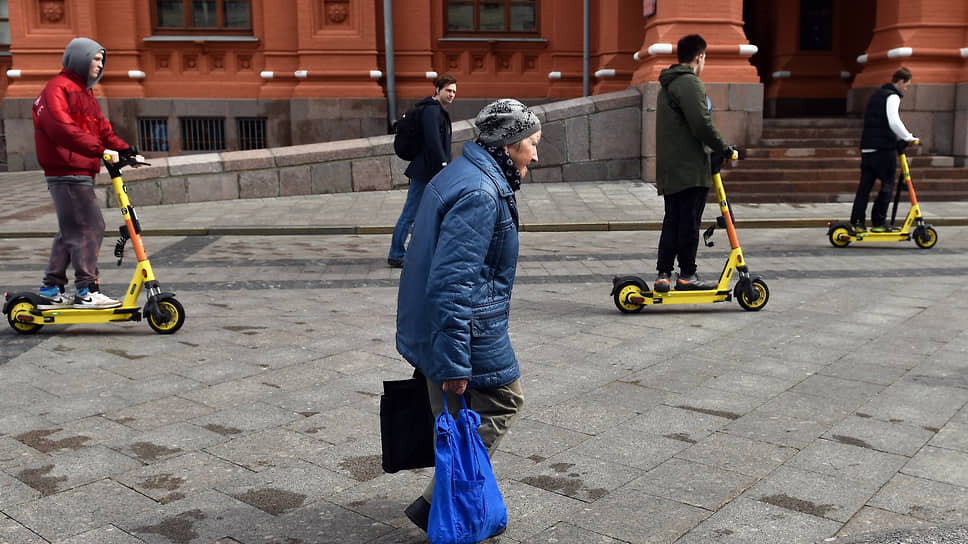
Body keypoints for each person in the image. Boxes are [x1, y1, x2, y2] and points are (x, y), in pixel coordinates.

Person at [395, 99, 540, 535]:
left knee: (459, 420)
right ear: (510, 144)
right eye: (532, 144)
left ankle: (437, 504)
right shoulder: (480, 191)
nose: (536, 154)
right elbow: (452, 284)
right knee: (502, 402)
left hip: (441, 326)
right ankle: (439, 506)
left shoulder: (465, 172)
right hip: (467, 328)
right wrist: (454, 364)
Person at [32, 37, 136, 310]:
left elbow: (102, 129)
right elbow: (60, 128)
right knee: (90, 227)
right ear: (79, 58)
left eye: (103, 59)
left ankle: (50, 288)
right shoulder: (56, 88)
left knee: (70, 231)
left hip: (79, 170)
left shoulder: (85, 92)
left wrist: (126, 151)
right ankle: (86, 290)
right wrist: (100, 150)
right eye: (96, 58)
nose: (100, 64)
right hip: (67, 171)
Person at [653, 34, 734, 293]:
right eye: (705, 57)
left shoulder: (667, 85)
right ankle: (687, 274)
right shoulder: (690, 83)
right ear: (700, 56)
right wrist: (724, 147)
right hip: (690, 168)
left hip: (672, 167)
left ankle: (664, 274)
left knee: (673, 220)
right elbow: (702, 123)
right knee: (688, 222)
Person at [387, 73, 458, 268]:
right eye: (448, 90)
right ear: (437, 90)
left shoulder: (437, 111)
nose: (451, 95)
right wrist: (444, 165)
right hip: (426, 171)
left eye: (454, 92)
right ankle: (396, 253)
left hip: (431, 170)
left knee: (426, 213)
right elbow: (433, 141)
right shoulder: (432, 111)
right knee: (411, 213)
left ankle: (421, 251)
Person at [850, 67, 917, 232]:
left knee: (864, 187)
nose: (906, 89)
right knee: (887, 184)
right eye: (907, 86)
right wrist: (908, 137)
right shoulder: (892, 96)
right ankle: (879, 223)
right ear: (900, 82)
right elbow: (894, 121)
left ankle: (857, 222)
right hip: (882, 149)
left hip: (867, 148)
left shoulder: (877, 95)